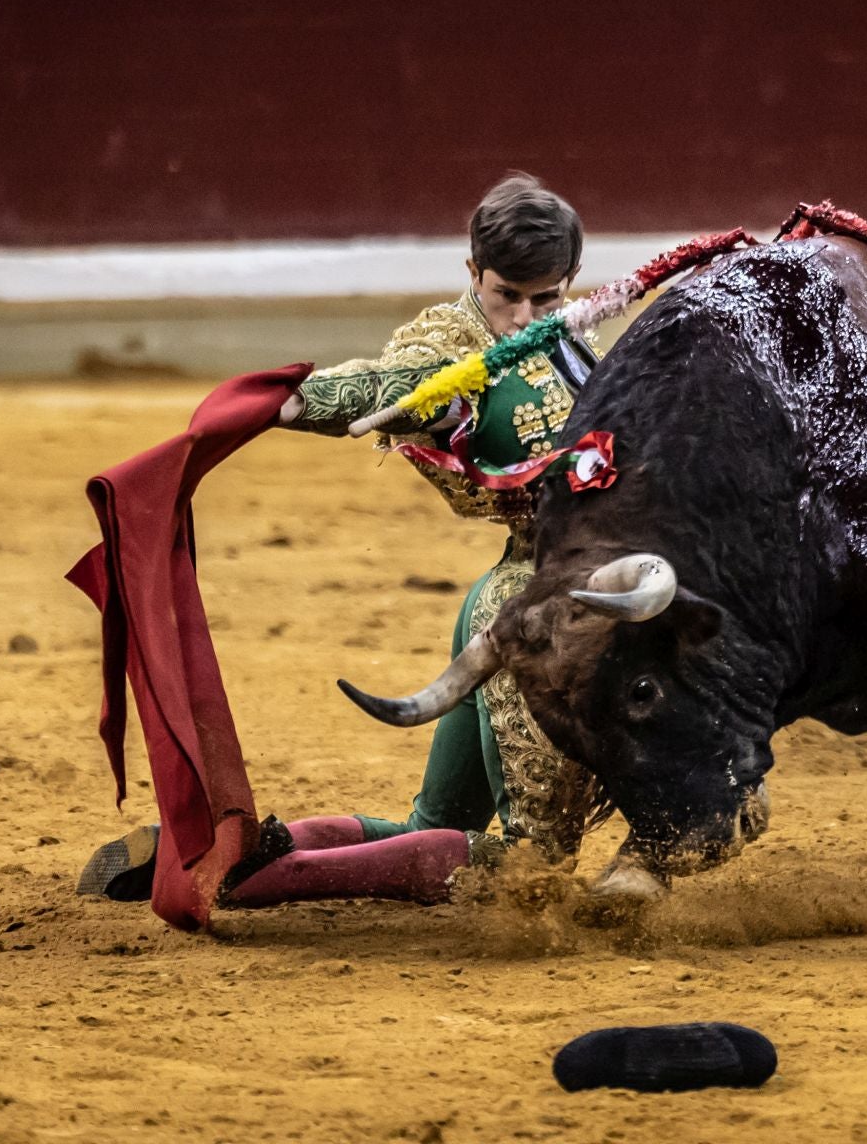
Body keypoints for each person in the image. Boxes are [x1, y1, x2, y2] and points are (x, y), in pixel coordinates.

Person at [78, 172, 609, 908]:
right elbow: (387, 386)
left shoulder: (575, 342)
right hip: (529, 615)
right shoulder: (450, 347)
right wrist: (296, 402)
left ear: (571, 282)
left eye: (544, 298)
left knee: (438, 823)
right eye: (505, 295)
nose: (523, 318)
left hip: (548, 592)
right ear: (471, 273)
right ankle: (259, 878)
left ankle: (247, 846)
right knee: (535, 866)